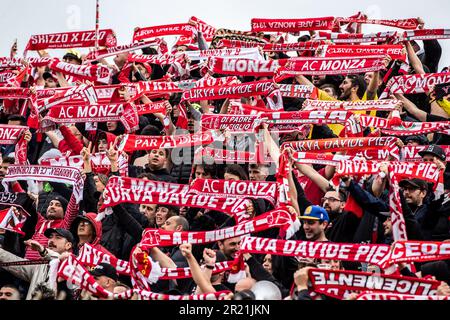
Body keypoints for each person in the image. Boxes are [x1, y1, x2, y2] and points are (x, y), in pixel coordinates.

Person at [0, 228, 74, 299]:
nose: (51, 240)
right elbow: (10, 260)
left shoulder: (74, 265)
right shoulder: (39, 266)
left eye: (58, 238)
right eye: (50, 237)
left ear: (68, 245)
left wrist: (43, 250)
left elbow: (62, 260)